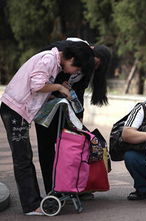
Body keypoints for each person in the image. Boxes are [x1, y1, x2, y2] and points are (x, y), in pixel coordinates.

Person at [0, 41, 95, 215]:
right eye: (77, 69)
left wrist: (56, 91)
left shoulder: (55, 64)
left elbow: (38, 88)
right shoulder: (48, 59)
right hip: (14, 110)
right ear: (71, 59)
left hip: (18, 110)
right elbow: (36, 86)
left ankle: (33, 202)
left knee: (25, 157)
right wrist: (58, 86)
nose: (76, 73)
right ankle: (31, 205)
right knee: (23, 159)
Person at [35, 38, 112, 197]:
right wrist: (57, 90)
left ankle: (75, 186)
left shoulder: (87, 68)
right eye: (93, 63)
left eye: (97, 67)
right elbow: (40, 80)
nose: (91, 68)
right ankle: (52, 190)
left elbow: (79, 94)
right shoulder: (68, 53)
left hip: (67, 106)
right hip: (46, 105)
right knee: (47, 147)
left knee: (75, 146)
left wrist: (79, 119)